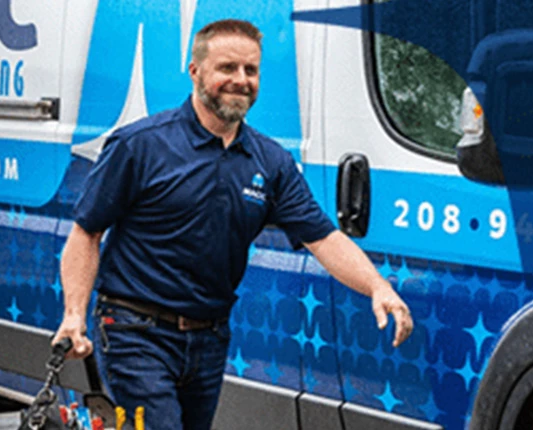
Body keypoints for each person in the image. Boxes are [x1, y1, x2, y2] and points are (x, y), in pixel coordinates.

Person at [53, 19, 414, 430]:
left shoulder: (270, 162)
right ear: (195, 71)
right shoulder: (141, 145)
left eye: (250, 70)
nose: (240, 80)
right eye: (227, 68)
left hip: (208, 338)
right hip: (136, 330)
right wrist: (73, 315)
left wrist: (377, 286)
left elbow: (323, 238)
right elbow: (87, 233)